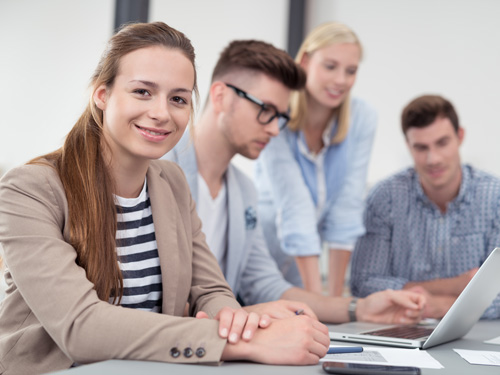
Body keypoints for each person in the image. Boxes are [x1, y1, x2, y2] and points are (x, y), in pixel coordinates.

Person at [0, 22, 332, 375]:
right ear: (102, 95)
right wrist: (244, 341)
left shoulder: (171, 182)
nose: (162, 113)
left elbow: (210, 289)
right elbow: (81, 327)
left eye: (178, 99)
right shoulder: (29, 189)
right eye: (142, 91)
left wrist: (242, 321)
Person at [164, 39, 424, 326]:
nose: (275, 129)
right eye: (266, 110)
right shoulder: (157, 170)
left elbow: (267, 285)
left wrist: (359, 308)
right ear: (221, 96)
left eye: (280, 117)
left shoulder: (243, 193)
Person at [350, 94, 500, 319]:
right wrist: (457, 286)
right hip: (400, 327)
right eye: (421, 147)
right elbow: (363, 284)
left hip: (479, 335)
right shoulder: (385, 197)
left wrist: (437, 307)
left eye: (442, 143)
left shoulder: (494, 197)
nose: (433, 159)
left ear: (460, 137)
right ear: (408, 146)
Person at [254, 22, 377, 296]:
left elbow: (346, 208)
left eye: (351, 71)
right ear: (306, 61)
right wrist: (320, 306)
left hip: (303, 270)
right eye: (330, 66)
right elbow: (294, 207)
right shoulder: (278, 115)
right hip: (259, 261)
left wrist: (332, 302)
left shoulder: (362, 119)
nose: (341, 80)